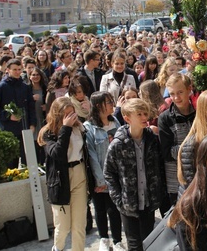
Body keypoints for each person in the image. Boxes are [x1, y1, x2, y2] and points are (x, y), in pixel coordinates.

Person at [103, 98, 164, 251]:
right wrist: (119, 200)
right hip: (128, 204)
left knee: (149, 242)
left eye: (145, 113)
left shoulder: (152, 139)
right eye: (139, 114)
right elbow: (109, 173)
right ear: (127, 118)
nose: (144, 118)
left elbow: (159, 166)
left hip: (148, 202)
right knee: (134, 245)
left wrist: (158, 191)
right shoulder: (118, 144)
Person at [38, 97, 93, 251]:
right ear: (58, 115)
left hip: (79, 174)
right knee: (63, 227)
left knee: (79, 225)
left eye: (72, 113)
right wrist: (65, 128)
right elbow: (58, 154)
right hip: (60, 180)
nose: (71, 117)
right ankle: (58, 248)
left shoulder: (79, 128)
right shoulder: (48, 133)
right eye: (66, 114)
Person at [84, 92, 122, 251]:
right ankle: (104, 239)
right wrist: (101, 180)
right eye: (108, 102)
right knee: (100, 209)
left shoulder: (116, 122)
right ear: (98, 105)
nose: (112, 104)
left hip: (118, 175)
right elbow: (92, 156)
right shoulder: (89, 128)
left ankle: (117, 240)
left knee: (115, 210)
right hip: (99, 176)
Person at [158, 73, 196, 210]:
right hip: (176, 178)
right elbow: (167, 152)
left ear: (189, 89)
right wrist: (194, 146)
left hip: (198, 174)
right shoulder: (165, 118)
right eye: (172, 94)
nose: (176, 97)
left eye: (180, 92)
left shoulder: (198, 114)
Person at [0, 58, 36, 167]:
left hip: (24, 128)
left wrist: (33, 124)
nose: (18, 72)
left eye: (19, 69)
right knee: (10, 163)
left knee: (27, 162)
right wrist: (8, 116)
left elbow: (31, 107)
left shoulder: (25, 87)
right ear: (8, 70)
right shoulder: (0, 87)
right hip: (7, 130)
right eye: (14, 69)